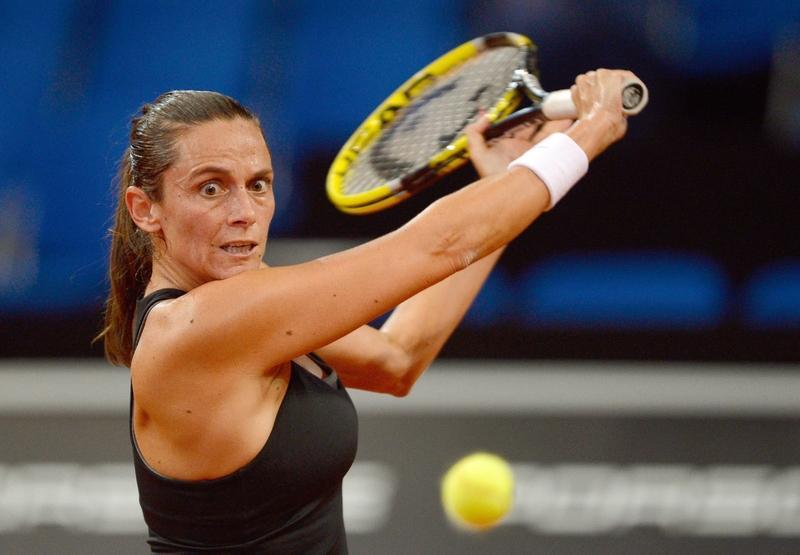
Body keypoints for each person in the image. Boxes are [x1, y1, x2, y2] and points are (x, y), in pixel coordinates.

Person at [98, 69, 635, 553]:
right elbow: (438, 245)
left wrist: (501, 182)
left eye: (259, 185)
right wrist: (589, 132)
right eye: (211, 187)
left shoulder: (246, 311)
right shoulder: (195, 327)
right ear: (146, 209)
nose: (244, 212)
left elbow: (397, 358)